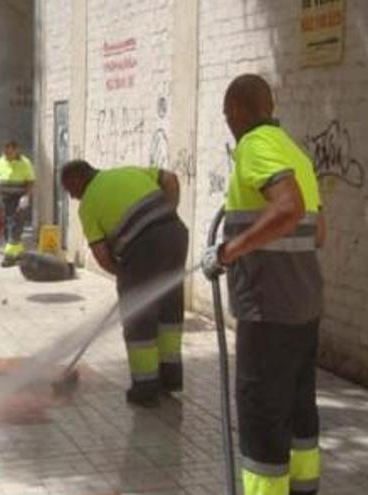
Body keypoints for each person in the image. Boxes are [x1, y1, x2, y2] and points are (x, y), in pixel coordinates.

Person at [201, 74, 325, 495]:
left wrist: (227, 252)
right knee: (299, 411)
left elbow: (289, 208)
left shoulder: (254, 146)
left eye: (226, 114)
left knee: (261, 418)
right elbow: (318, 231)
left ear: (236, 108)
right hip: (304, 308)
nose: (227, 123)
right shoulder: (296, 152)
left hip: (267, 310)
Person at [61, 161, 187, 407]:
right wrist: (168, 213)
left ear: (78, 180)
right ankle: (170, 380)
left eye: (69, 188)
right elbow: (171, 178)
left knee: (138, 319)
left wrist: (125, 276)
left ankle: (146, 389)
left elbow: (101, 255)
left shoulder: (89, 206)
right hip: (176, 236)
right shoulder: (127, 172)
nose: (71, 196)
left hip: (143, 248)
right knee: (169, 311)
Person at [0, 141, 35, 267]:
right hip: (4, 199)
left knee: (15, 225)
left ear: (16, 150)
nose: (6, 155)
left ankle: (9, 257)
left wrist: (26, 197)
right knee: (6, 225)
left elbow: (31, 181)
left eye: (9, 152)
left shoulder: (25, 163)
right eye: (5, 152)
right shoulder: (1, 161)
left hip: (18, 200)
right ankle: (17, 252)